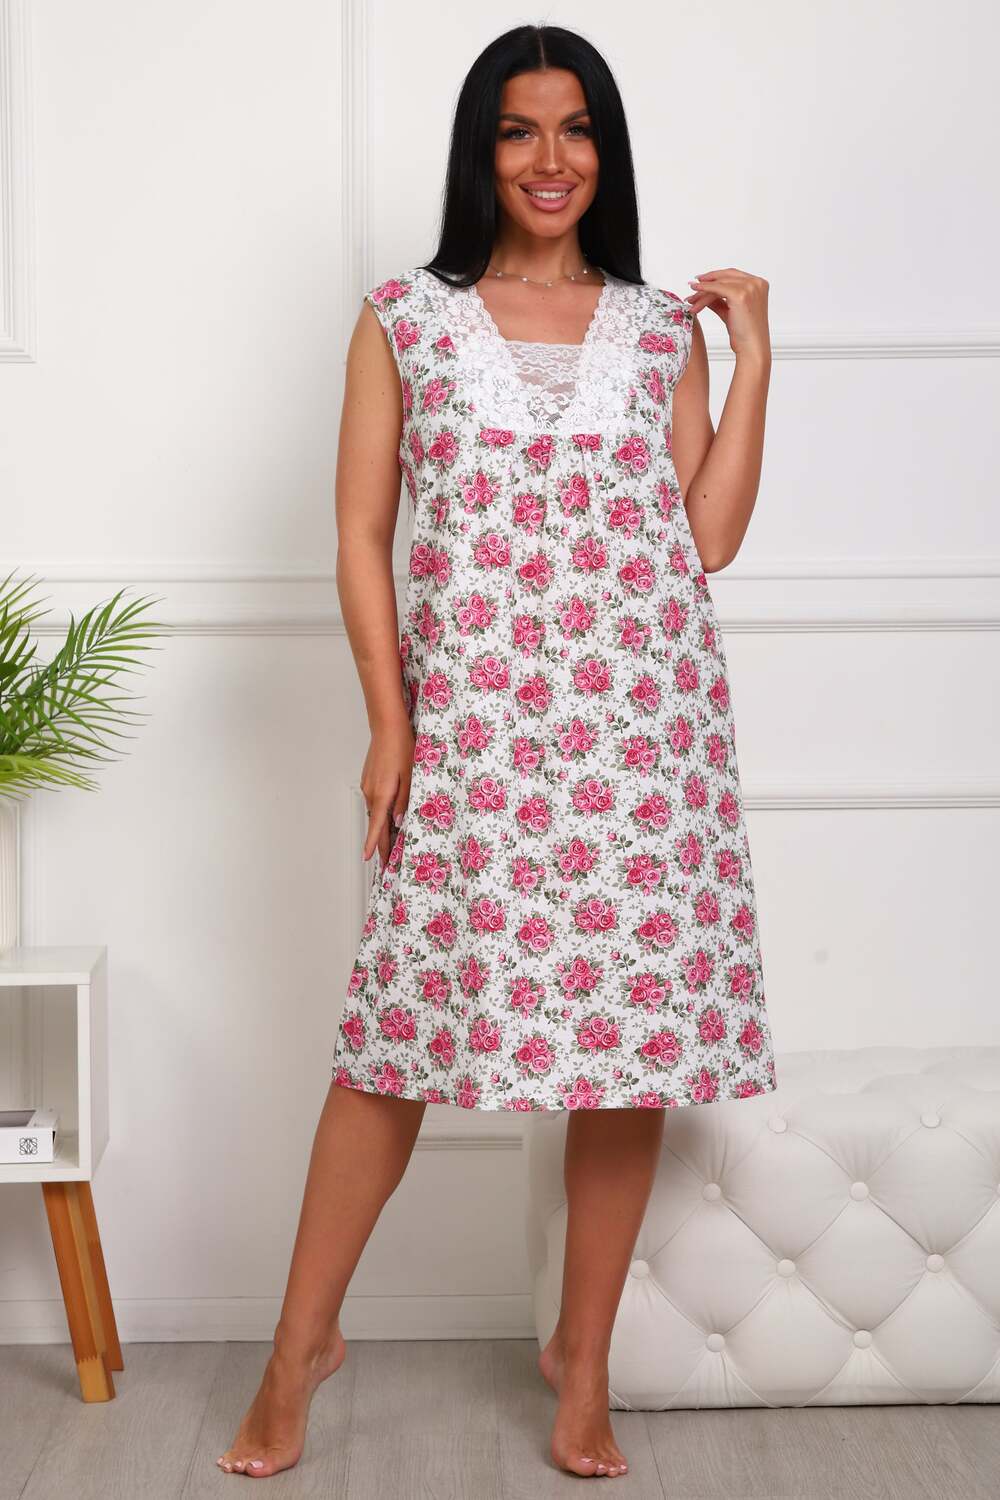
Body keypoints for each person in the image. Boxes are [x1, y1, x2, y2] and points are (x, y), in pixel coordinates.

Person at [217, 21, 777, 1483]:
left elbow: (707, 537)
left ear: (606, 150)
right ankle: (297, 1350)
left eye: (575, 128)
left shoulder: (657, 329)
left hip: (645, 739)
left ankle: (580, 1365)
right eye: (519, 130)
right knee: (394, 1039)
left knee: (627, 1055)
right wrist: (389, 724)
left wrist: (754, 360)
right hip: (470, 736)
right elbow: (360, 531)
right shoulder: (405, 319)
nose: (550, 158)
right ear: (483, 152)